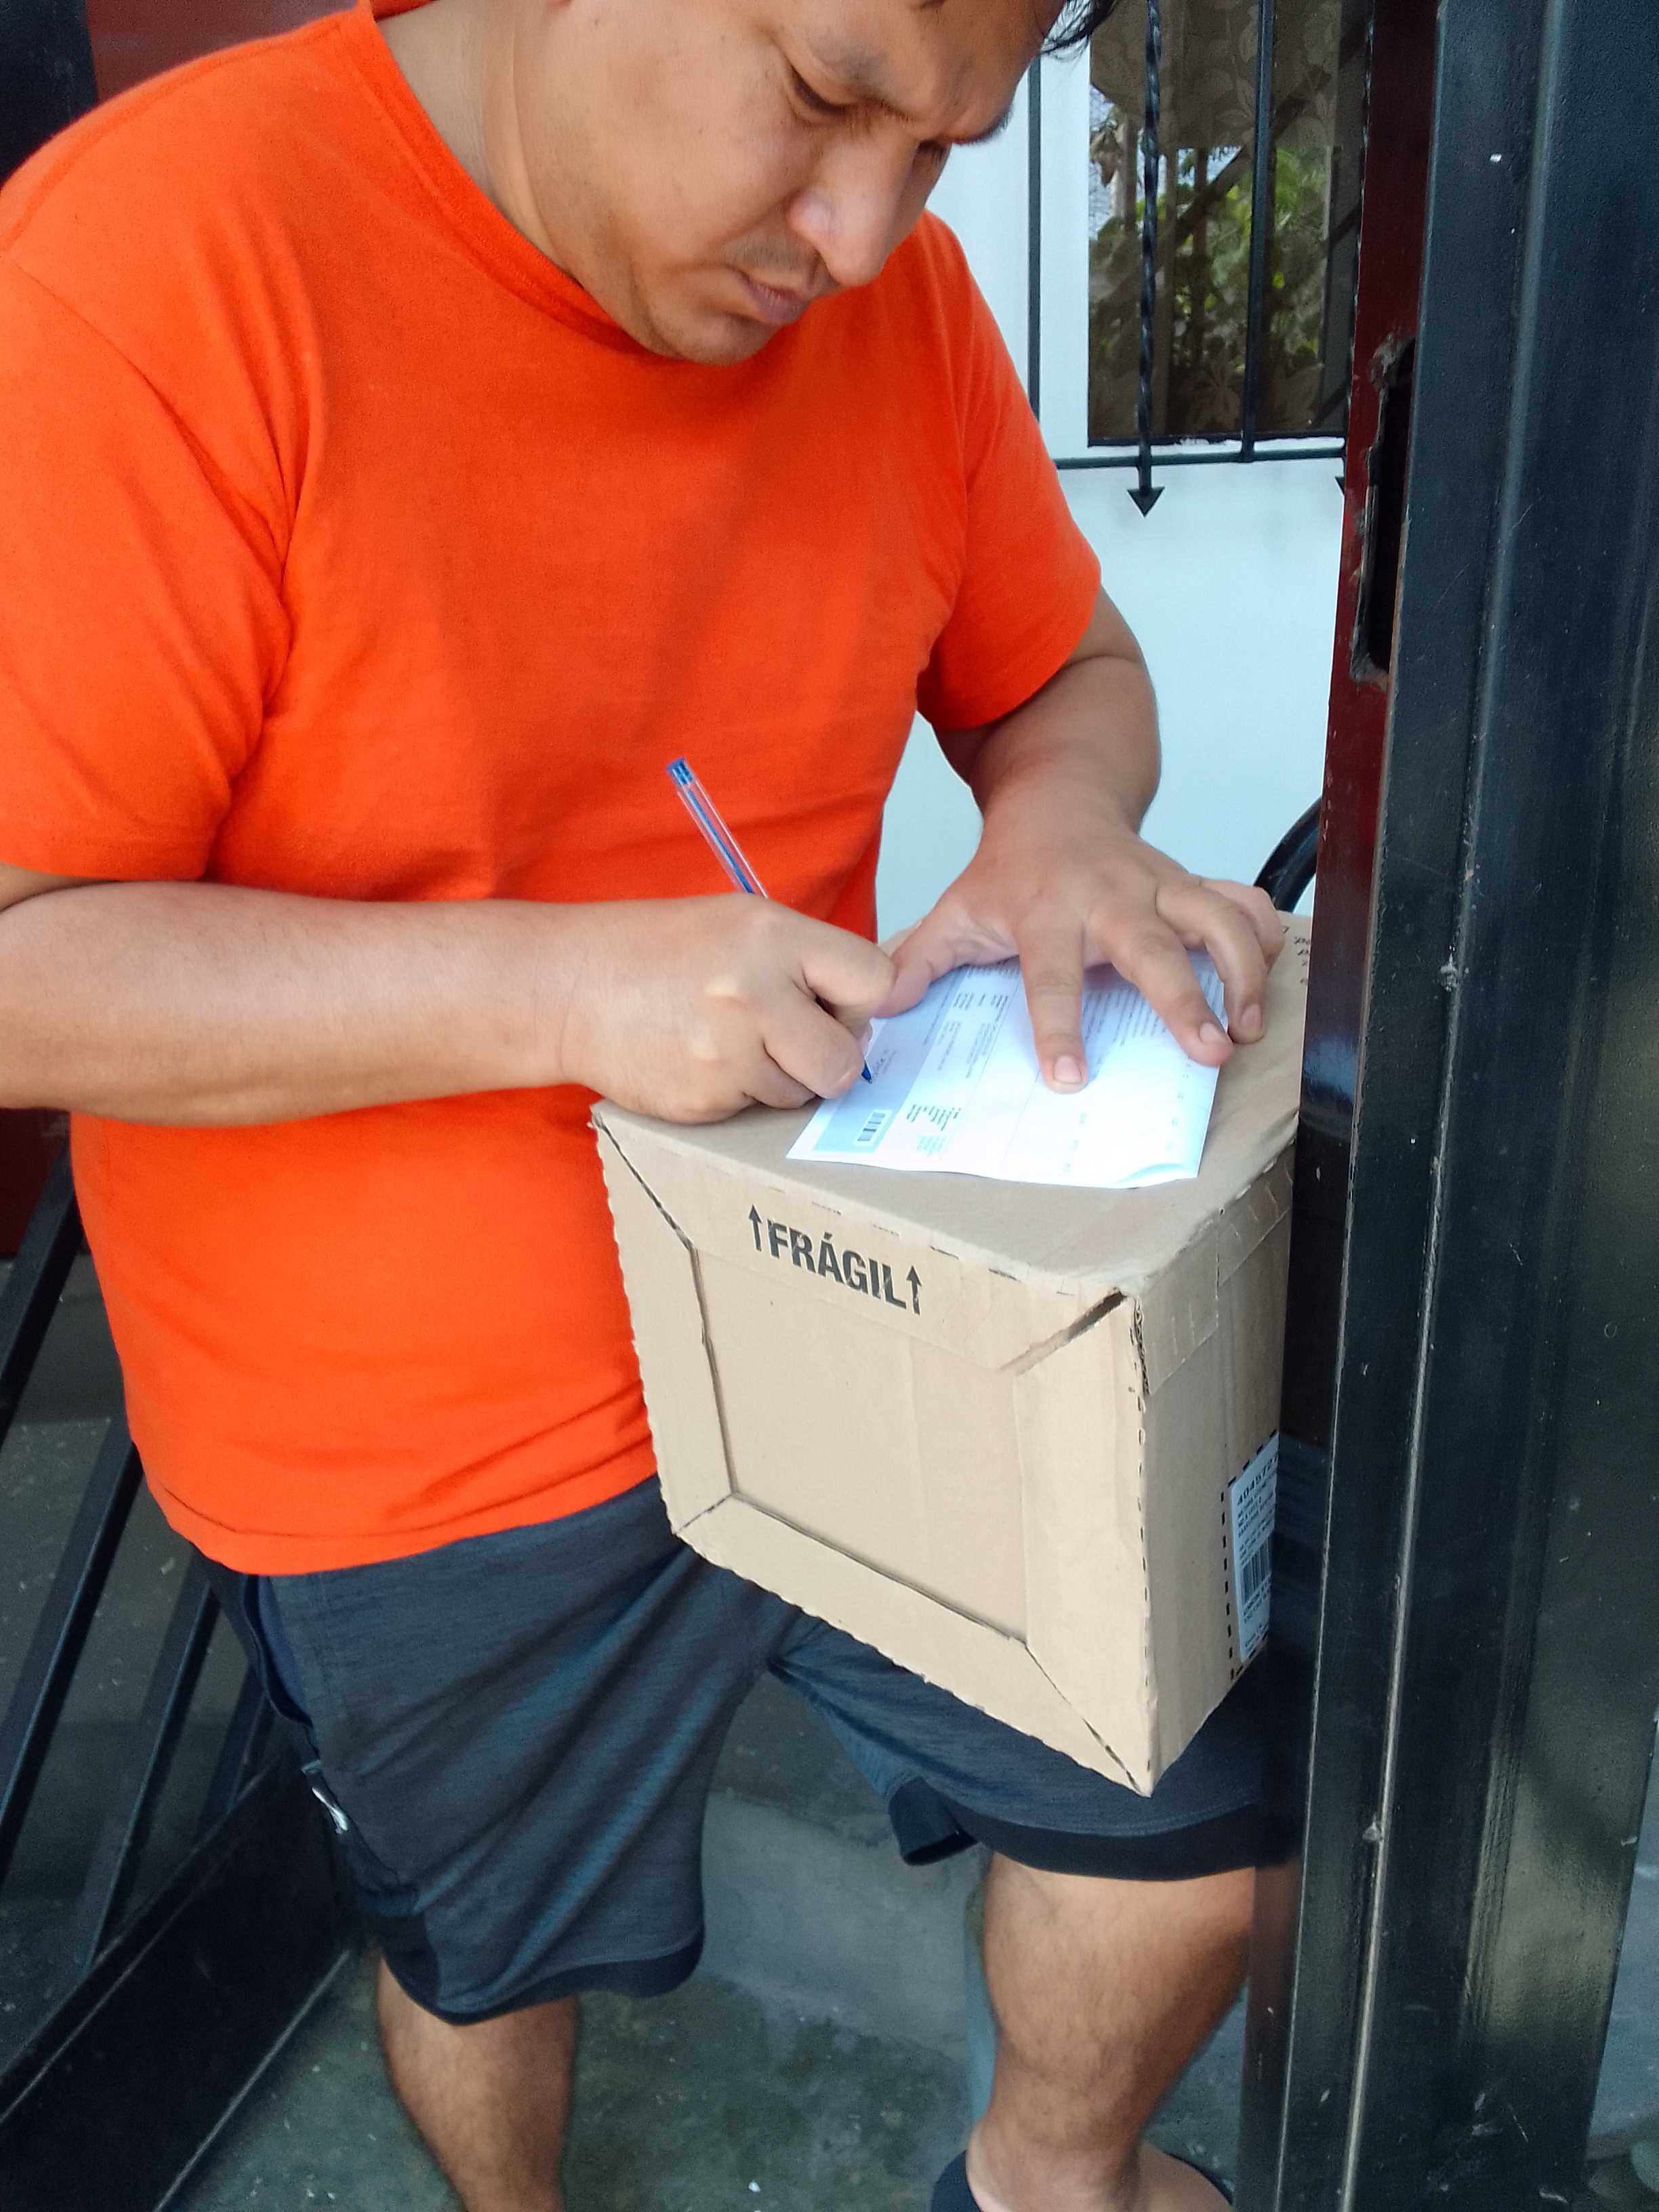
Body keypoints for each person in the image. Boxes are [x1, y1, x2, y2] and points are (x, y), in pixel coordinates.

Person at [0, 0, 1287, 2203]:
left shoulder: (899, 313)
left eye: (944, 149)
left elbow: (1066, 668)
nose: (864, 232)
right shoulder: (148, 276)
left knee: (1186, 1817)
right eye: (827, 93)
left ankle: (1047, 2179)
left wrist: (1061, 823)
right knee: (484, 1954)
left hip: (853, 1295)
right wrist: (565, 986)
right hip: (401, 1450)